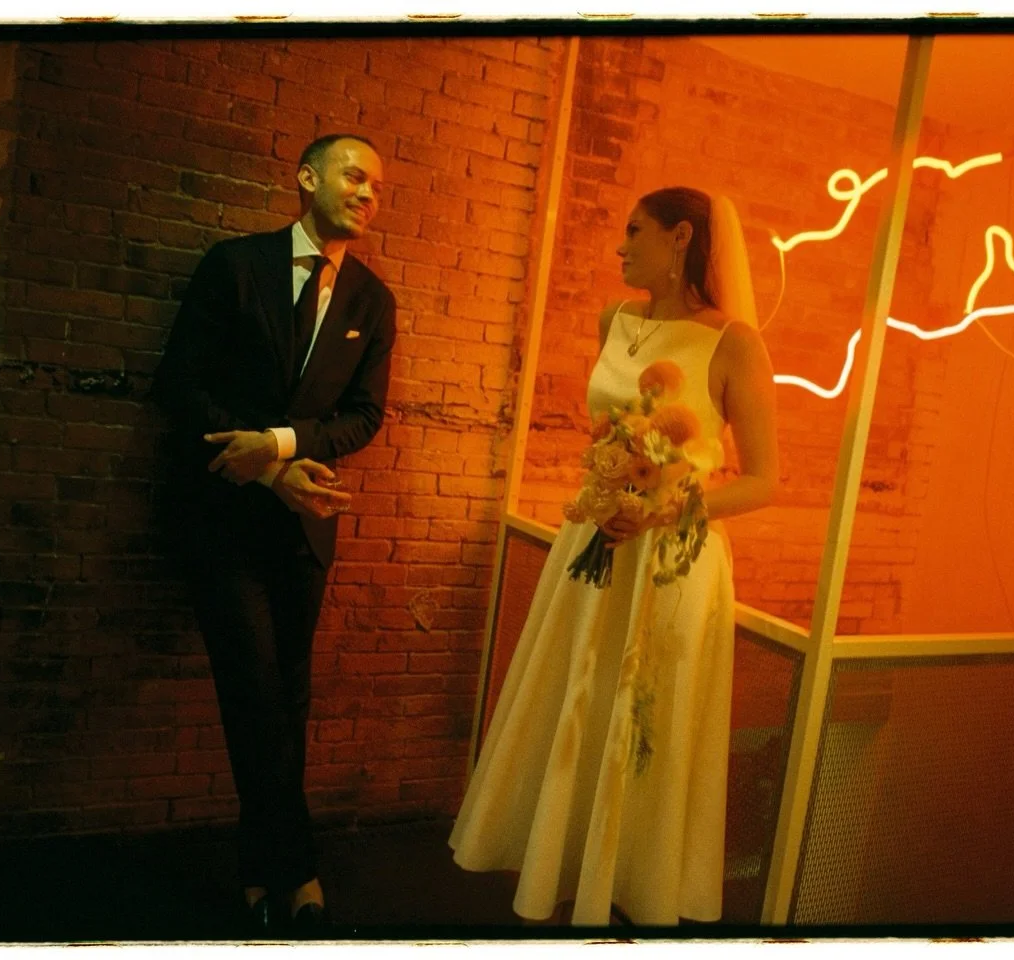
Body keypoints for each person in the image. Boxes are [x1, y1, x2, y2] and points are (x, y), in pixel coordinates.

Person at [448, 187, 780, 925]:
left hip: (672, 556)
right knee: (581, 702)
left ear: (681, 237)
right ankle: (564, 871)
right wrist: (609, 478)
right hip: (595, 540)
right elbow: (604, 427)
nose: (620, 246)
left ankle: (634, 892)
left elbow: (764, 479)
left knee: (646, 722)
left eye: (635, 231)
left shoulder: (734, 342)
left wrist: (665, 507)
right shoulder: (614, 320)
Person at [151, 133, 395, 934]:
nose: (368, 193)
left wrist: (282, 448)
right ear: (306, 177)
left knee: (288, 695)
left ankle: (263, 868)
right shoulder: (234, 265)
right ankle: (297, 868)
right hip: (222, 521)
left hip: (304, 531)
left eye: (377, 186)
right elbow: (178, 386)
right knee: (255, 691)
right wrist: (263, 472)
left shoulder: (372, 300)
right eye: (354, 176)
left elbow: (364, 416)